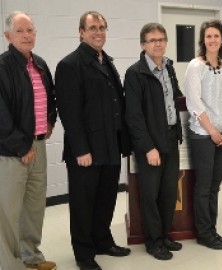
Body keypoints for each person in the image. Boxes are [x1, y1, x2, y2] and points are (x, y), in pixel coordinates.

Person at [55, 11, 132, 270]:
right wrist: (81, 149)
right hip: (86, 151)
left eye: (102, 27)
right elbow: (69, 113)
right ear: (81, 31)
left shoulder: (106, 61)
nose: (98, 32)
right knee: (83, 204)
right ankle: (84, 253)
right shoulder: (70, 65)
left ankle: (102, 240)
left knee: (106, 199)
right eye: (92, 28)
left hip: (110, 146)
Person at [0, 11, 57, 270]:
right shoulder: (2, 67)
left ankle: (31, 257)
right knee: (8, 213)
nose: (27, 35)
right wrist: (21, 146)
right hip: (12, 152)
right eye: (21, 31)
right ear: (7, 35)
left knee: (34, 206)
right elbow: (1, 113)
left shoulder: (40, 64)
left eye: (31, 30)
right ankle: (10, 264)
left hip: (38, 146)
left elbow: (50, 98)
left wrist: (50, 121)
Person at [124, 23, 183, 261]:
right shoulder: (135, 73)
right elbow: (134, 116)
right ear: (143, 45)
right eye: (152, 40)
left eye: (161, 39)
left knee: (169, 191)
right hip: (151, 142)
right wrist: (148, 147)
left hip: (170, 137)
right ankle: (153, 241)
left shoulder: (169, 68)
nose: (157, 44)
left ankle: (165, 235)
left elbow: (174, 99)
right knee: (150, 194)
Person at [184, 19, 222, 250]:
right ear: (203, 41)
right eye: (208, 36)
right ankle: (204, 233)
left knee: (215, 185)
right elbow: (194, 102)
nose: (212, 40)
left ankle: (212, 229)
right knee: (204, 187)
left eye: (216, 36)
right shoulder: (196, 66)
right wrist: (213, 131)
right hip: (204, 135)